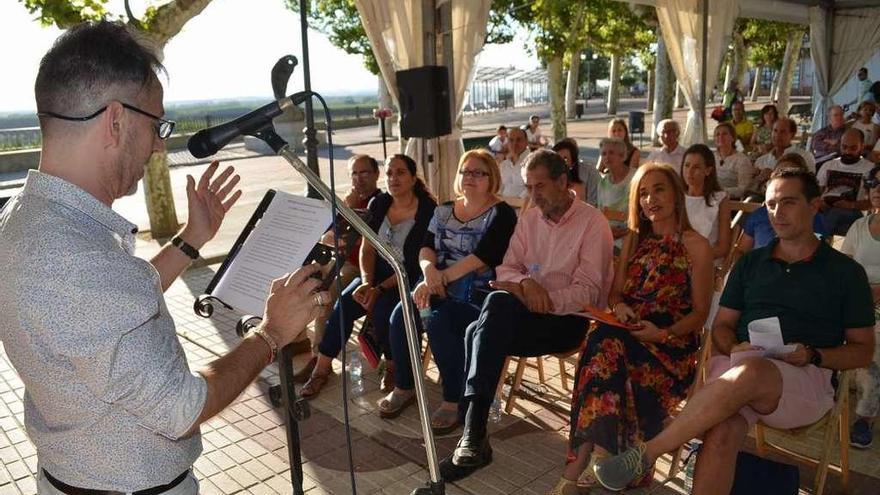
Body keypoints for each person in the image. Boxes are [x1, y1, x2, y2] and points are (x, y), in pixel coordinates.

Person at [0, 21, 329, 493]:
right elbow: (181, 408)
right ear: (115, 120)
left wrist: (190, 239)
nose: (159, 144)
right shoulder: (76, 258)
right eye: (156, 125)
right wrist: (272, 332)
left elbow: (107, 307)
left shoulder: (26, 215)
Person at [593, 167, 875, 494]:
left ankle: (648, 451)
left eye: (788, 203)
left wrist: (813, 354)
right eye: (770, 205)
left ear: (814, 206)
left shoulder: (845, 273)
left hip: (804, 378)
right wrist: (734, 345)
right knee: (722, 432)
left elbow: (862, 350)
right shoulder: (749, 264)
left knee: (752, 372)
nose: (777, 213)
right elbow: (723, 328)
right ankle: (668, 441)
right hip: (734, 373)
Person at [439, 150, 615, 481]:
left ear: (563, 182)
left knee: (478, 330)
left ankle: (472, 434)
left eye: (540, 186)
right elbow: (507, 268)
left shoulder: (593, 224)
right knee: (493, 310)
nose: (532, 195)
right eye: (528, 187)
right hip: (523, 314)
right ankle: (473, 437)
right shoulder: (530, 219)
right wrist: (527, 285)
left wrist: (542, 298)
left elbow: (589, 292)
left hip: (568, 322)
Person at [548, 163, 713, 495]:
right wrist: (620, 307)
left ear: (676, 194)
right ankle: (597, 455)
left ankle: (581, 462)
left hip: (669, 345)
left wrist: (661, 334)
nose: (650, 199)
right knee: (604, 340)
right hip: (627, 332)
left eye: (659, 189)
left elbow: (700, 313)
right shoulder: (636, 240)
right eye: (643, 194)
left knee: (604, 345)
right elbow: (616, 293)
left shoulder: (696, 245)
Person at [379, 150, 517, 425]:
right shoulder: (443, 210)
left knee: (440, 323)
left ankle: (454, 400)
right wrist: (429, 272)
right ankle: (405, 386)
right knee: (400, 315)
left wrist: (438, 280)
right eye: (466, 171)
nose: (470, 177)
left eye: (479, 173)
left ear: (493, 178)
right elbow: (426, 247)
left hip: (477, 295)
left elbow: (483, 258)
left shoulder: (502, 214)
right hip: (435, 283)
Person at [300, 154, 437, 399]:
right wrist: (366, 282)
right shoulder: (380, 203)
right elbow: (367, 247)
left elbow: (415, 265)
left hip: (407, 278)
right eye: (390, 173)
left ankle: (392, 367)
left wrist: (380, 289)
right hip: (375, 275)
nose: (393, 178)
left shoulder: (428, 210)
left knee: (384, 310)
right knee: (343, 304)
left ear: (413, 178)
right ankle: (321, 368)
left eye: (400, 173)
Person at [293, 154, 381, 382]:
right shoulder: (347, 201)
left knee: (326, 294)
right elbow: (328, 236)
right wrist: (345, 209)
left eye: (364, 173)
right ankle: (295, 339)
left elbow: (371, 245)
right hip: (337, 259)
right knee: (298, 281)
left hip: (357, 266)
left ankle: (318, 358)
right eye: (354, 173)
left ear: (376, 175)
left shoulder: (379, 203)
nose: (359, 179)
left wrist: (347, 232)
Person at [841, 164, 880, 449]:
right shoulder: (858, 226)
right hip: (859, 302)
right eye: (874, 184)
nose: (877, 190)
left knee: (873, 345)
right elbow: (843, 268)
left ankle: (865, 417)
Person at [737, 153, 828, 253]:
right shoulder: (758, 215)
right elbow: (741, 252)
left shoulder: (813, 218)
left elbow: (819, 254)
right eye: (779, 174)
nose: (783, 180)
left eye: (788, 203)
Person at [816, 128, 874, 236]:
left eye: (853, 148)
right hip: (827, 210)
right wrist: (820, 202)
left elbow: (872, 203)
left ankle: (820, 243)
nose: (847, 151)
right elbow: (816, 193)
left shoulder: (870, 169)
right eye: (844, 147)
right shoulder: (828, 165)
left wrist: (851, 205)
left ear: (862, 147)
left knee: (835, 213)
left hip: (855, 214)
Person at [682, 144, 732, 261]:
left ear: (708, 170)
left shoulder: (720, 199)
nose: (690, 172)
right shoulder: (677, 197)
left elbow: (723, 247)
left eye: (696, 167)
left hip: (706, 261)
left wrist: (695, 258)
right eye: (687, 165)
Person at [597, 138, 636, 250]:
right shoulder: (602, 182)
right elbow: (601, 214)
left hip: (631, 236)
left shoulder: (635, 177)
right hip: (608, 237)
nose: (607, 157)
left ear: (622, 155)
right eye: (604, 154)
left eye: (611, 153)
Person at [754, 117, 816, 187]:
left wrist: (774, 176)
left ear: (792, 135)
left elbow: (811, 184)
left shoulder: (805, 156)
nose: (777, 135)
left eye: (782, 132)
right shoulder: (761, 161)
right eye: (775, 130)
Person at [713, 122, 755, 200]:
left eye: (724, 134)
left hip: (731, 202)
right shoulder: (711, 157)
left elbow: (743, 189)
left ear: (733, 138)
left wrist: (719, 192)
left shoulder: (742, 160)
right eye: (717, 134)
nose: (720, 137)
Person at [499, 127, 529, 202]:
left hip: (524, 210)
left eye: (518, 140)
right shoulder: (504, 165)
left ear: (526, 142)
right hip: (504, 208)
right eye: (511, 140)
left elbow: (529, 194)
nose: (515, 143)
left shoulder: (534, 163)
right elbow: (498, 190)